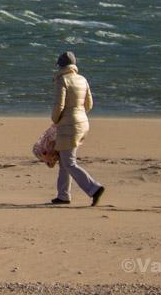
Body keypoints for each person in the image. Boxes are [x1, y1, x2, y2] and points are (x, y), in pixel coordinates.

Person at [50, 51, 106, 206]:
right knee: (64, 160)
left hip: (69, 125)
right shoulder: (82, 79)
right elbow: (89, 105)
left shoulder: (63, 80)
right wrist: (79, 115)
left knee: (69, 162)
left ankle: (94, 188)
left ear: (61, 65)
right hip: (82, 123)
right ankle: (63, 195)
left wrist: (55, 120)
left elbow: (59, 105)